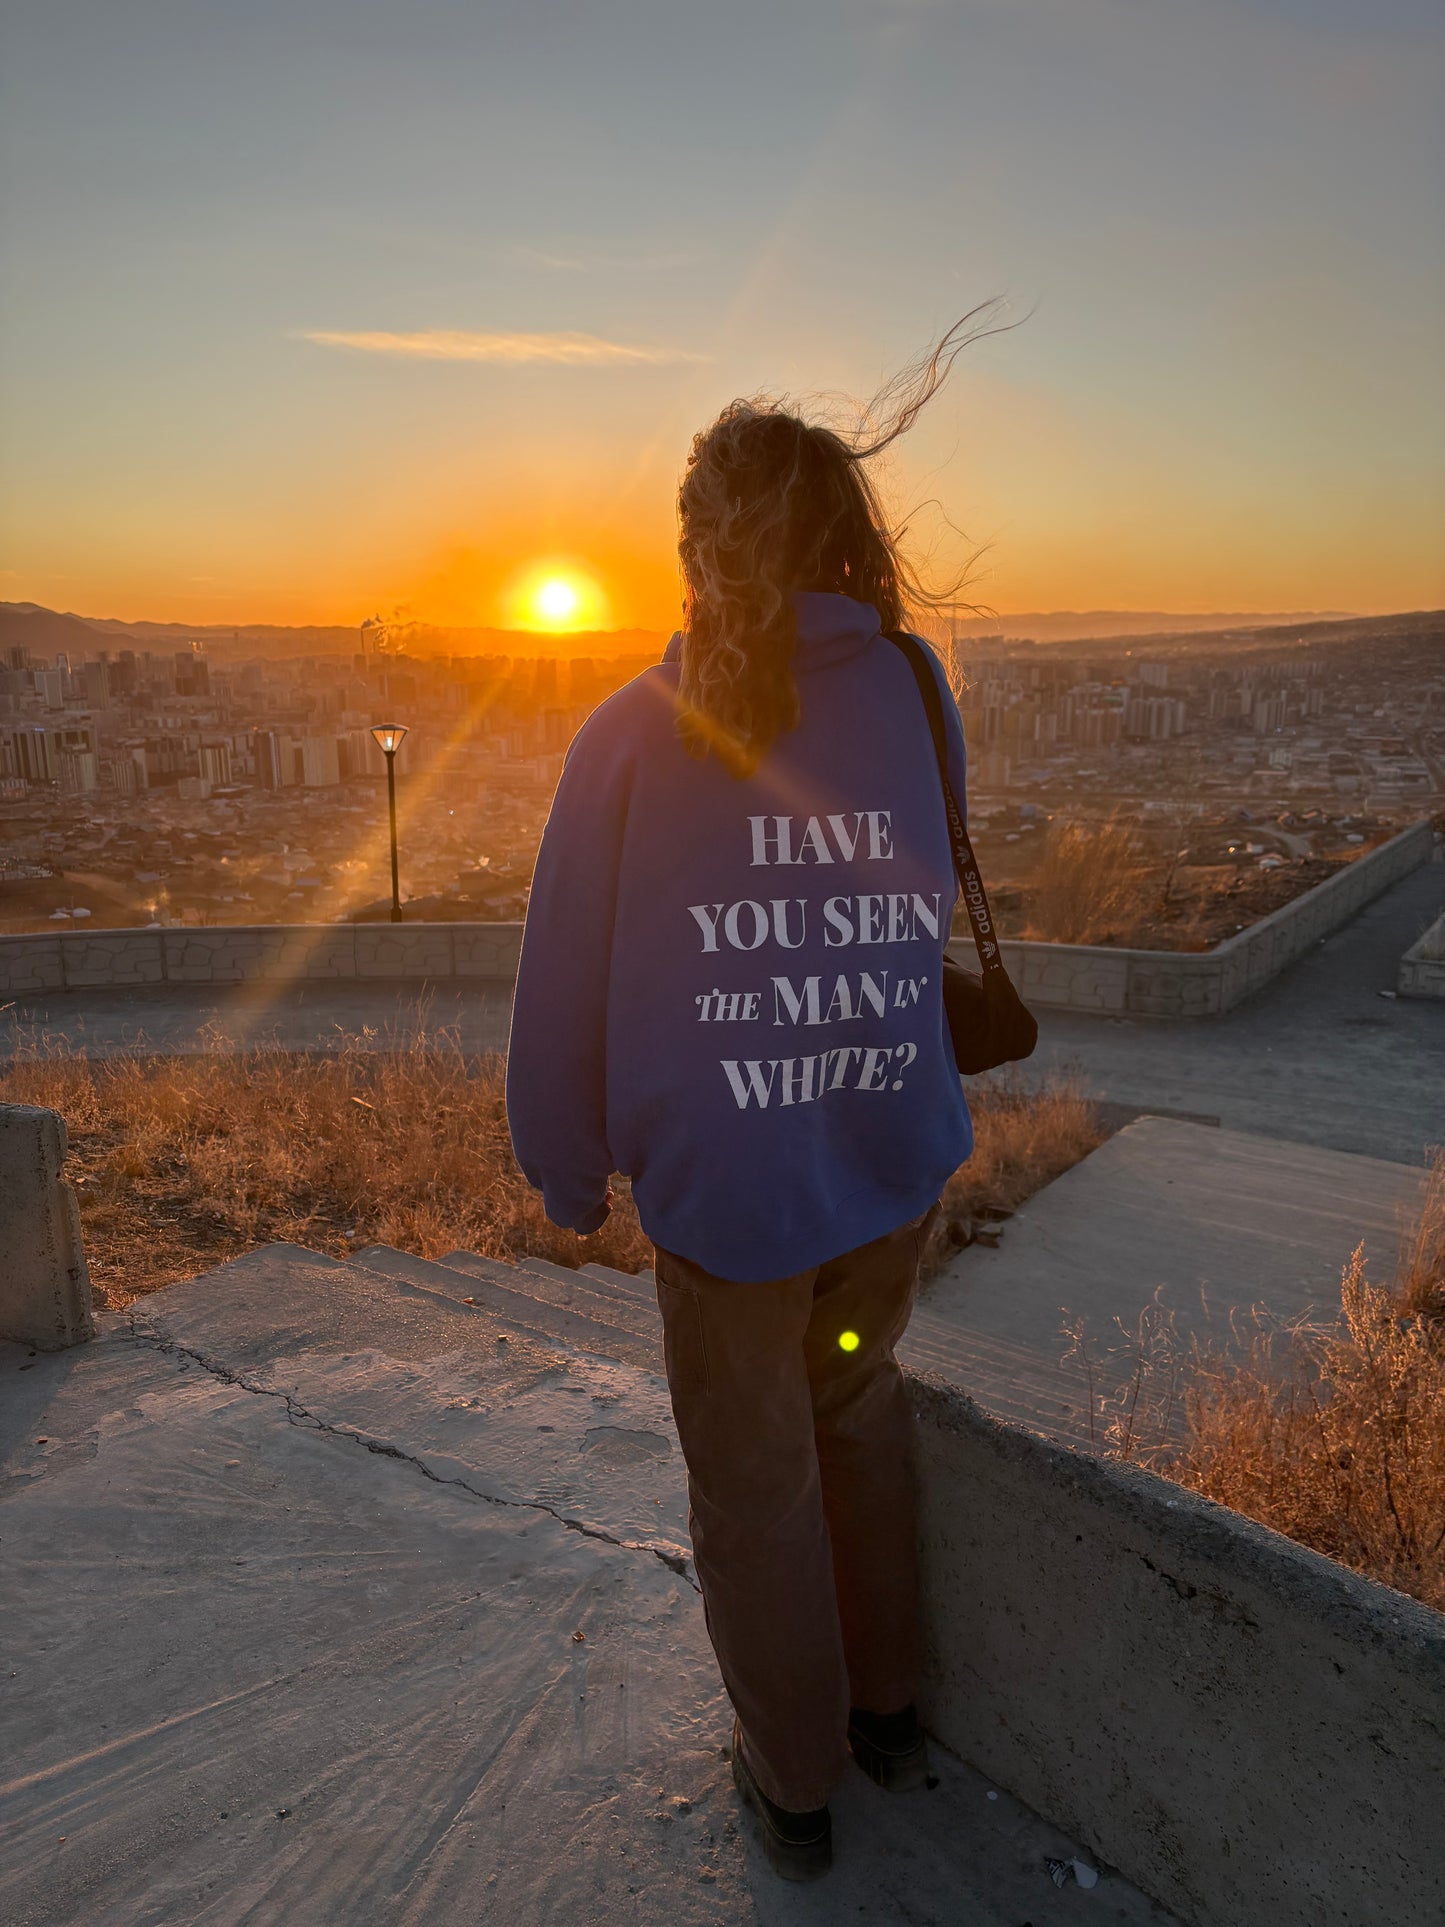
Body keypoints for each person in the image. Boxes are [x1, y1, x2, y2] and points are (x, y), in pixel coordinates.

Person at [506, 314, 997, 1880]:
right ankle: (892, 1708)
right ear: (848, 532)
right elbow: (918, 897)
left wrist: (567, 1167)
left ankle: (794, 1782)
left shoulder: (632, 740)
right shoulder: (918, 689)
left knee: (755, 1488)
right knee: (856, 1419)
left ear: (695, 550)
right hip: (886, 1165)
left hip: (731, 1208)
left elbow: (561, 975)